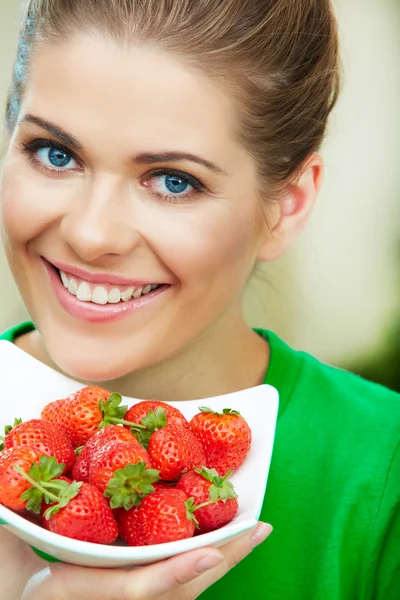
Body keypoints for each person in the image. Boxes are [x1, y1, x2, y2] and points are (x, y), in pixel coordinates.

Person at [0, 0, 399, 598]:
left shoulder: (382, 473)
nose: (91, 234)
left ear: (285, 208)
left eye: (173, 181)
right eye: (56, 154)